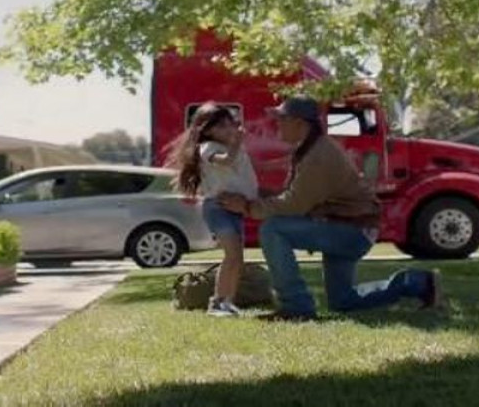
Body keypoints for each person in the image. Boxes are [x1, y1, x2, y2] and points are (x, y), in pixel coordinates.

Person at [220, 96, 446, 321]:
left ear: (300, 123)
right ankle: (418, 283)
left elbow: (294, 204)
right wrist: (252, 194)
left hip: (351, 230)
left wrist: (247, 206)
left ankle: (296, 306)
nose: (276, 124)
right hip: (348, 227)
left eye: (282, 119)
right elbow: (296, 196)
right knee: (342, 301)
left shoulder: (318, 155)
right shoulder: (312, 148)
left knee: (273, 229)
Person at [167, 102, 258, 317]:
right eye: (221, 126)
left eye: (230, 124)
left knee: (237, 258)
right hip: (218, 208)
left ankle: (227, 302)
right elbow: (225, 162)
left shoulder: (234, 149)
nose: (228, 130)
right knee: (232, 255)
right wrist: (237, 142)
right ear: (207, 131)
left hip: (234, 208)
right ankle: (217, 303)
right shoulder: (208, 148)